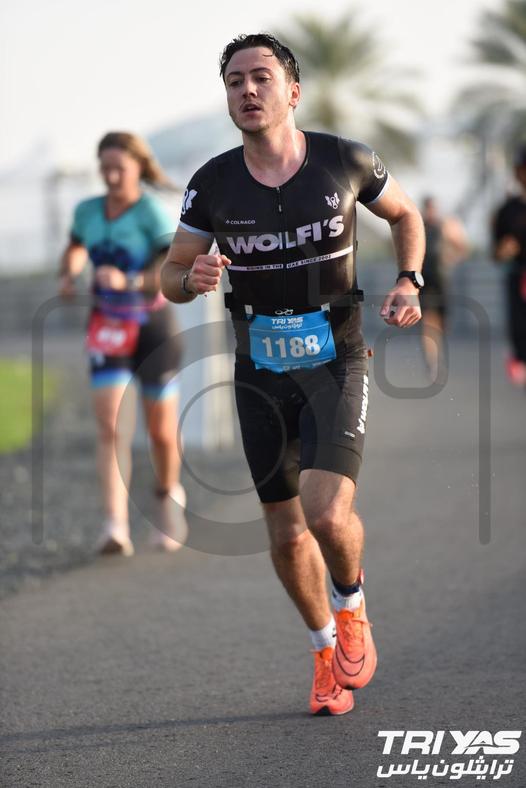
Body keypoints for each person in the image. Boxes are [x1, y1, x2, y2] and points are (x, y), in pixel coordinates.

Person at [161, 34, 425, 716]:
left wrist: (409, 279)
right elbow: (170, 275)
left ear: (293, 91)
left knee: (326, 512)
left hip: (336, 357)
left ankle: (351, 603)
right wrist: (191, 278)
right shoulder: (212, 184)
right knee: (284, 532)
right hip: (258, 373)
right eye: (234, 82)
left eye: (261, 77)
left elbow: (405, 214)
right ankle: (323, 653)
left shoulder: (345, 159)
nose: (247, 90)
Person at [59, 131, 187, 555]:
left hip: (153, 327)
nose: (112, 176)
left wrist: (126, 280)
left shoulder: (150, 212)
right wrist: (68, 274)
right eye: (105, 169)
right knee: (110, 426)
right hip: (107, 326)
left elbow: (168, 272)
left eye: (120, 168)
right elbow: (75, 248)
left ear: (138, 168)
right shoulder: (87, 211)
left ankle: (167, 497)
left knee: (161, 432)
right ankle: (115, 524)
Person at [420, 196, 469, 380]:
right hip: (425, 282)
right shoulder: (418, 225)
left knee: (441, 324)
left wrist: (451, 258)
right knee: (428, 322)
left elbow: (462, 247)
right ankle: (432, 361)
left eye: (432, 208)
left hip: (441, 280)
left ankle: (438, 356)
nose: (430, 212)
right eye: (428, 208)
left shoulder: (445, 226)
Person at [492, 144, 526, 387]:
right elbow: (496, 254)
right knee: (519, 329)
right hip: (518, 279)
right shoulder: (507, 210)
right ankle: (519, 358)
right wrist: (503, 251)